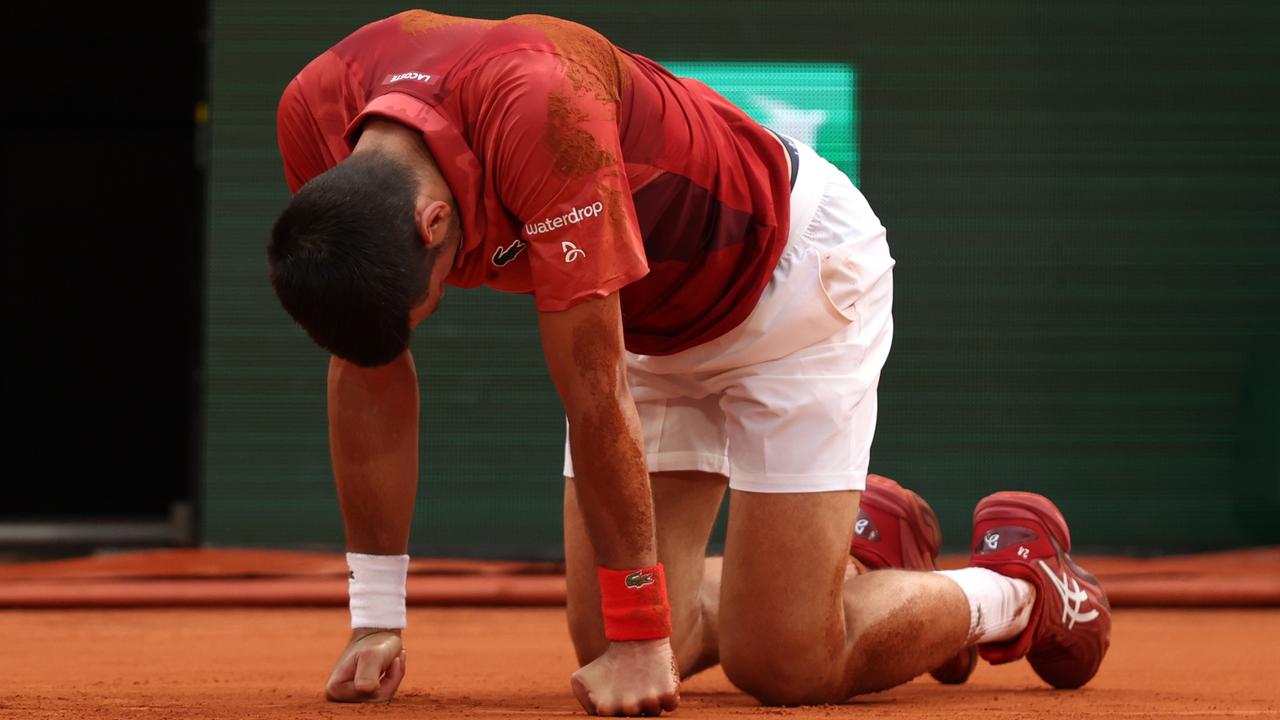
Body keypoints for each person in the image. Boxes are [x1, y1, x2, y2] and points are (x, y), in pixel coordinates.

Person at [269, 9, 1111, 715]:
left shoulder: (542, 108)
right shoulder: (317, 111)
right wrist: (376, 618)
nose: (434, 310)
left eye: (431, 299)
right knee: (607, 636)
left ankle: (1019, 590)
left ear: (431, 224)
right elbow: (366, 366)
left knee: (784, 667)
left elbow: (595, 394)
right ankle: (857, 551)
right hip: (642, 320)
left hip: (788, 289)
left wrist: (645, 641)